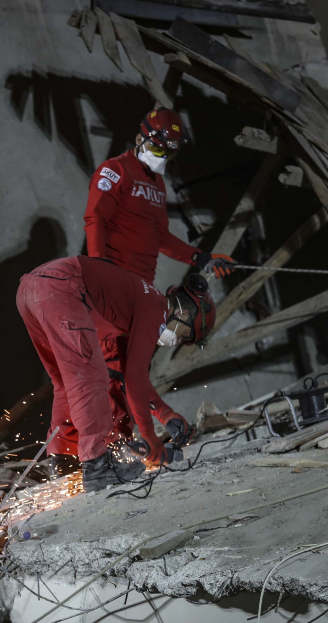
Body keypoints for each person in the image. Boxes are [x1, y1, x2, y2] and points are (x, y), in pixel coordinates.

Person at [49, 108, 235, 469]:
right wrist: (101, 270)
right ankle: (83, 454)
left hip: (138, 293)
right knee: (112, 368)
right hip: (112, 288)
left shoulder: (156, 185)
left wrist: (201, 258)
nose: (163, 158)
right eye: (159, 149)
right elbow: (95, 218)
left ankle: (109, 447)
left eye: (170, 153)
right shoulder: (114, 171)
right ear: (141, 139)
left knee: (122, 369)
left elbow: (160, 236)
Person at [16, 256, 216, 491]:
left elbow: (125, 372)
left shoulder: (135, 303)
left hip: (30, 290)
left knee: (66, 380)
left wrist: (165, 414)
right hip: (62, 286)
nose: (178, 341)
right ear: (184, 315)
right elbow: (135, 377)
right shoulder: (155, 307)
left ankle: (64, 461)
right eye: (184, 336)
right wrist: (150, 437)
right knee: (90, 377)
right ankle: (98, 466)